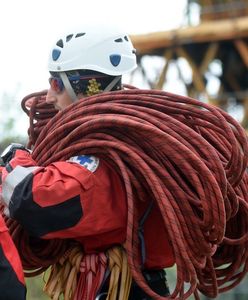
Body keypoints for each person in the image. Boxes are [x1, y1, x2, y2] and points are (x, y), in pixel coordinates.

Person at [0, 24, 174, 299]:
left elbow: (33, 199)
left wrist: (14, 158)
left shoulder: (108, 156)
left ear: (85, 86)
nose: (48, 96)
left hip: (124, 290)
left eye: (56, 83)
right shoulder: (132, 142)